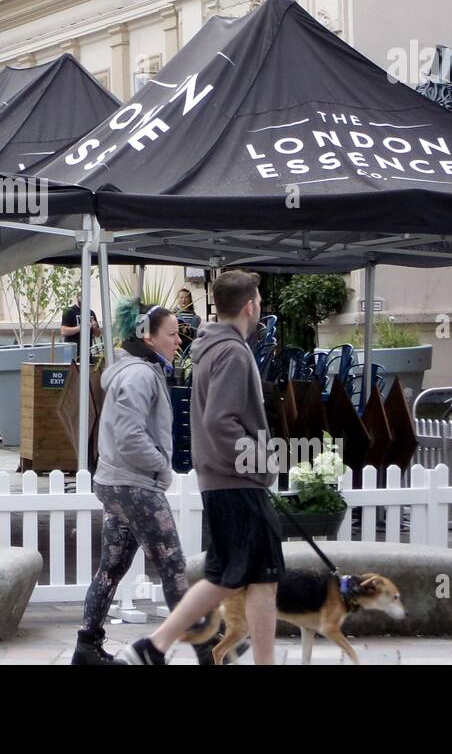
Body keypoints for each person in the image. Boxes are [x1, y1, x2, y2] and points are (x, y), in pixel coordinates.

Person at [118, 270, 282, 666]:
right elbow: (220, 421)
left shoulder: (213, 348)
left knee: (228, 576)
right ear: (249, 305)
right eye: (258, 300)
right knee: (262, 574)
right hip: (238, 482)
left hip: (223, 481)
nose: (259, 306)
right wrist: (260, 465)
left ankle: (152, 647)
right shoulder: (233, 353)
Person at [73, 301, 217, 666]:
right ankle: (209, 652)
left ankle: (86, 648)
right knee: (173, 568)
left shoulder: (135, 371)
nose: (177, 342)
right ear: (147, 337)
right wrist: (160, 469)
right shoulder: (139, 375)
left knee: (111, 567)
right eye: (171, 334)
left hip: (117, 482)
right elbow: (129, 435)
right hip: (135, 484)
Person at [173, 287, 202, 357]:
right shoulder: (174, 312)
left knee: (196, 318)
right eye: (181, 297)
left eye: (186, 298)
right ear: (178, 299)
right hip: (181, 338)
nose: (183, 300)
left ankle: (194, 349)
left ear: (190, 299)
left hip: (191, 337)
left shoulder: (193, 313)